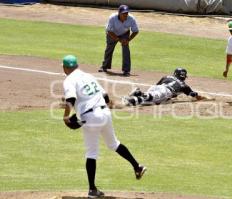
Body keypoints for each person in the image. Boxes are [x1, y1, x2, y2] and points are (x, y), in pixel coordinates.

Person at [62, 55, 146, 198]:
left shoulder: (68, 80)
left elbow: (71, 99)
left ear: (64, 68)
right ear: (76, 65)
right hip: (105, 113)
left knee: (91, 153)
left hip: (90, 117)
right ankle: (137, 166)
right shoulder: (88, 76)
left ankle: (92, 190)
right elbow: (106, 97)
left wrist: (66, 117)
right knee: (114, 144)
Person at [122, 67, 204, 106]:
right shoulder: (184, 86)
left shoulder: (167, 77)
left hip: (157, 87)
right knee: (149, 99)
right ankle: (130, 101)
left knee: (152, 102)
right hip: (165, 91)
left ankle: (138, 93)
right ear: (184, 76)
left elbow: (157, 85)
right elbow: (193, 95)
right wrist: (200, 96)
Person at [99, 5, 139, 77]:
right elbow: (109, 31)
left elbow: (136, 31)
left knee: (126, 49)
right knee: (109, 49)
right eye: (124, 13)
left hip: (124, 33)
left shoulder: (131, 19)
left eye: (126, 13)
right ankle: (104, 67)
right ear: (119, 13)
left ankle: (126, 71)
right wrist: (119, 39)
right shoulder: (112, 18)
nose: (125, 15)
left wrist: (128, 40)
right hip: (112, 33)